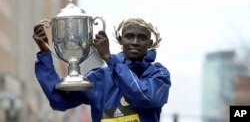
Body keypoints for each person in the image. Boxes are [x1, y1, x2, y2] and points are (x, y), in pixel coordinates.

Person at [33, 18, 171, 122]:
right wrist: (45, 53)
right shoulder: (100, 78)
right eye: (129, 36)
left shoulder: (158, 74)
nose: (135, 41)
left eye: (142, 38)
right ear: (120, 40)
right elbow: (59, 100)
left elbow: (143, 97)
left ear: (150, 44)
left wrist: (110, 60)